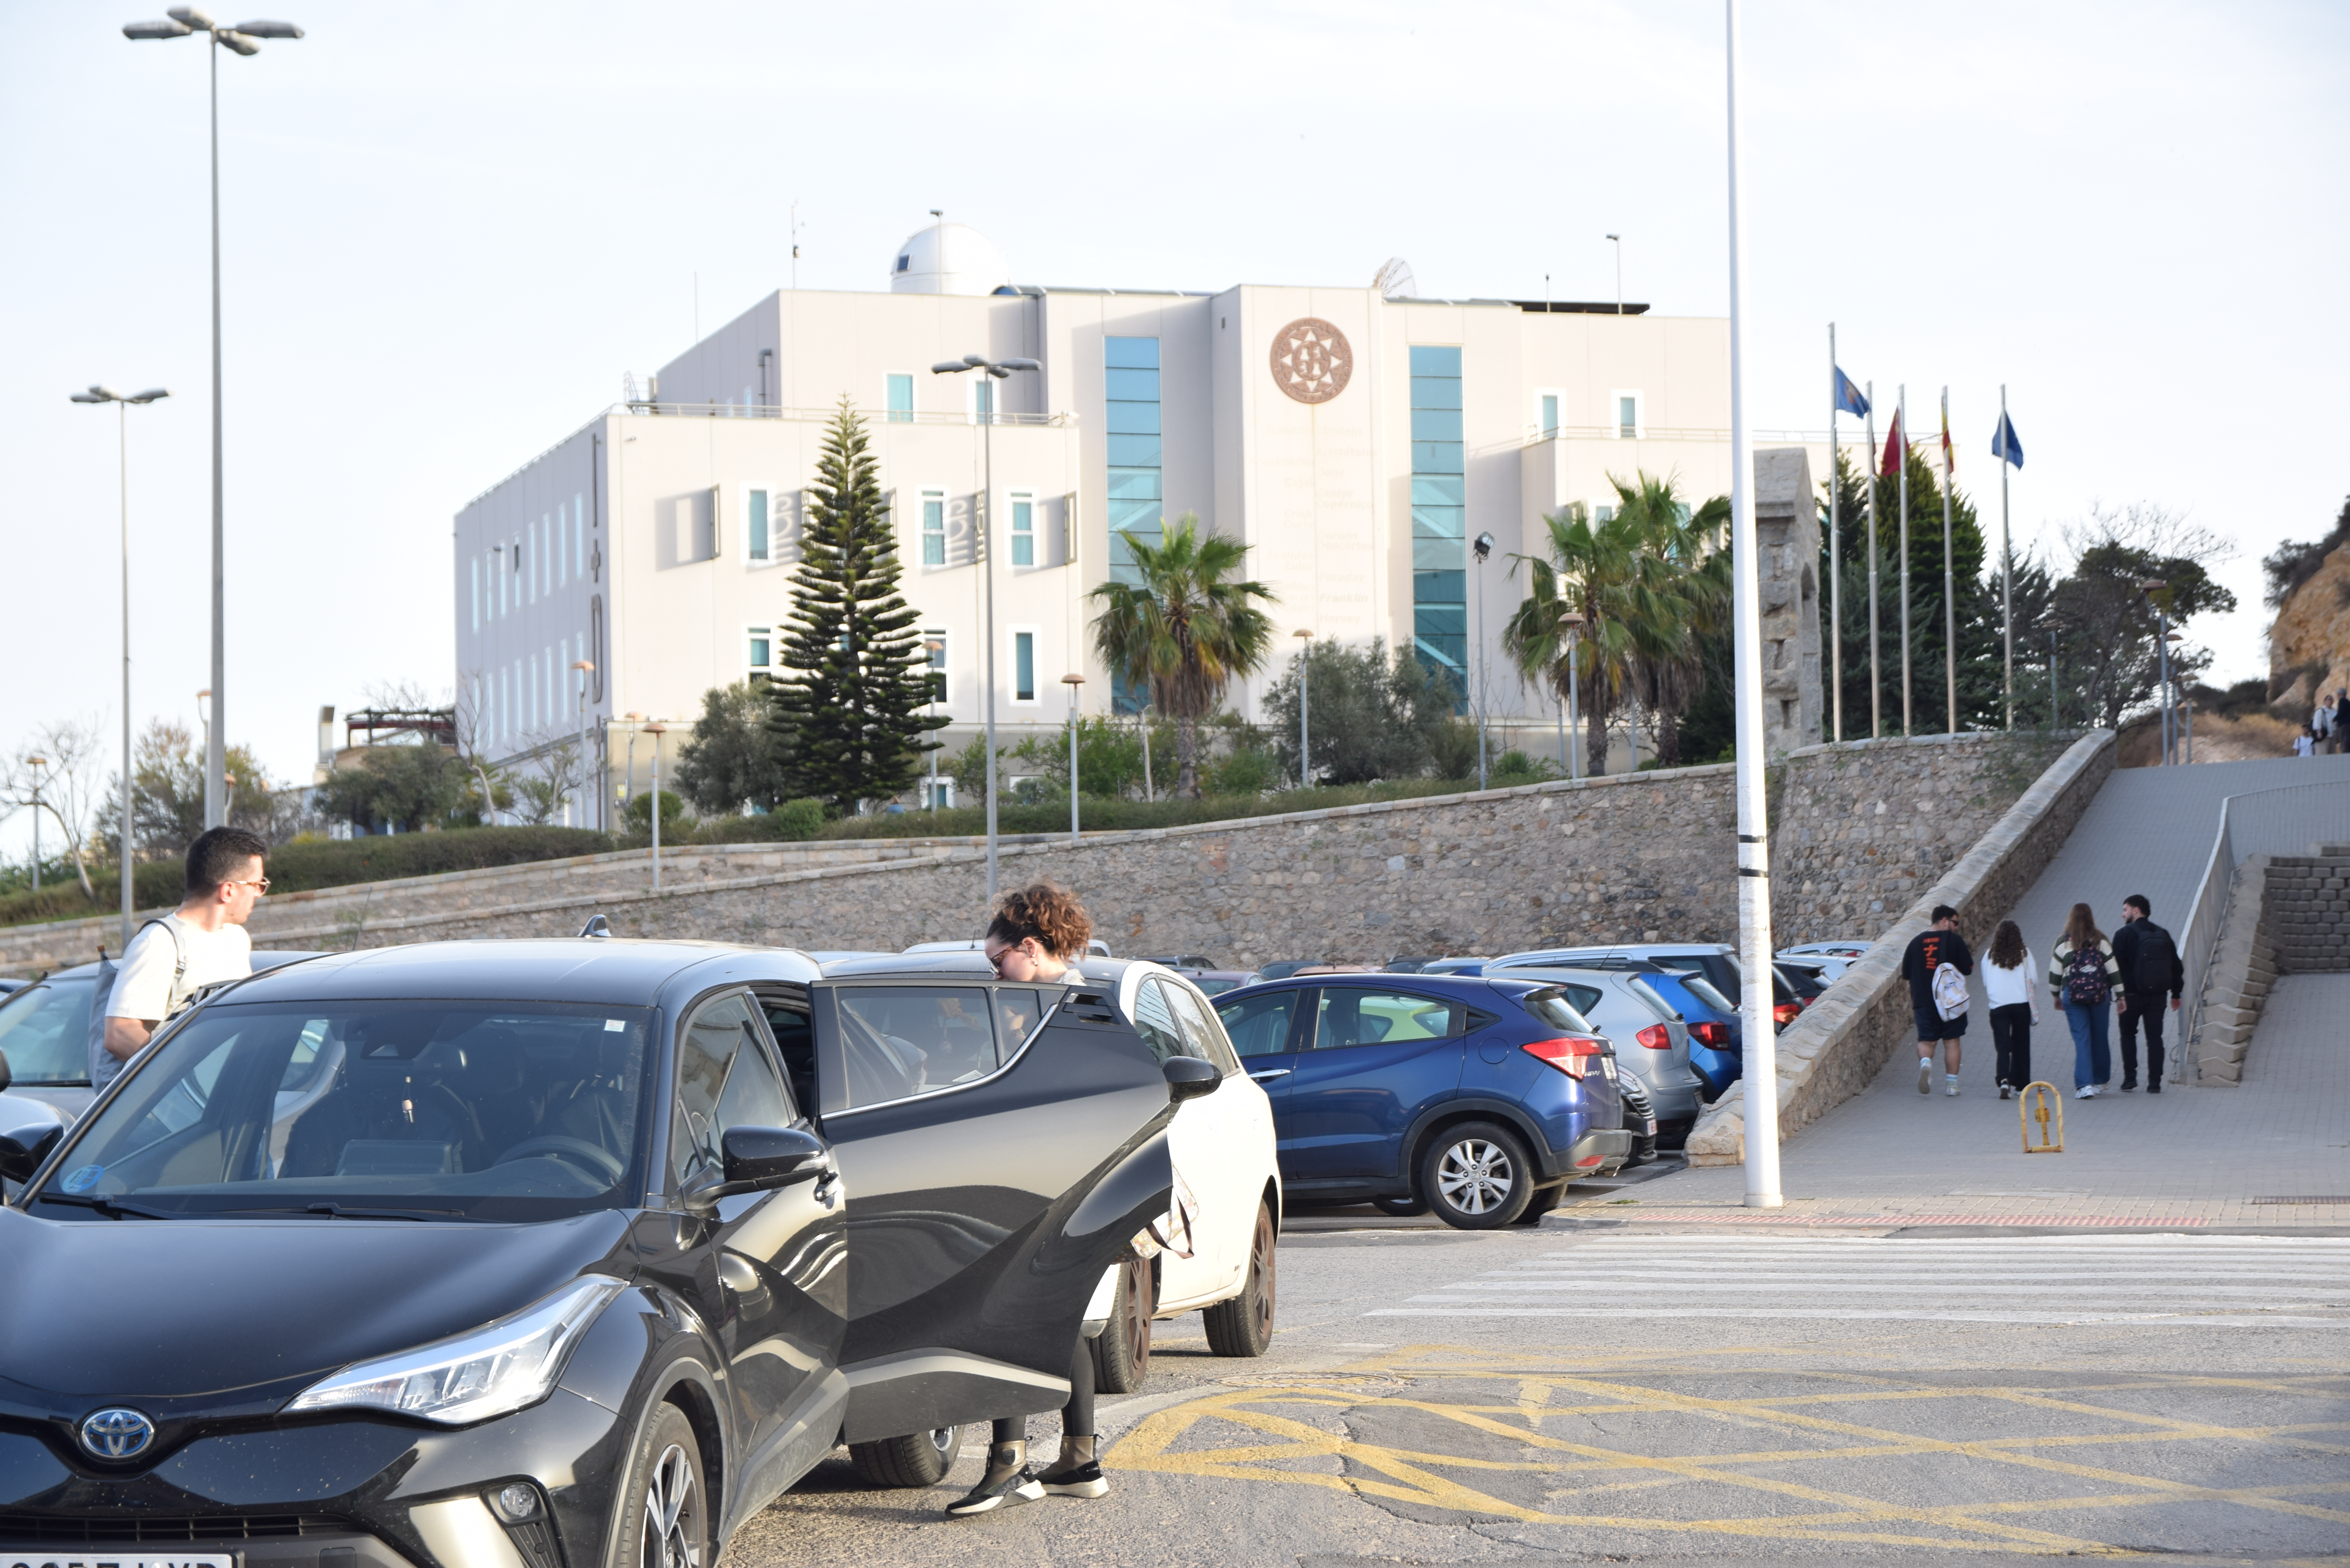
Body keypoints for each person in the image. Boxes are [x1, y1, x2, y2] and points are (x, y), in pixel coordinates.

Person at [949, 881, 1110, 1517]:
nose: (993, 973)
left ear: (1031, 948)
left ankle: (1008, 1465)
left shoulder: (1072, 1012)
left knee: (1008, 1316)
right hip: (1070, 1190)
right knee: (1059, 1319)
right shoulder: (1072, 1005)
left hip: (1051, 1189)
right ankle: (1078, 1461)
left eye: (998, 960)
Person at [95, 826, 269, 1091]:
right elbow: (120, 1034)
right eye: (257, 885)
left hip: (229, 1098)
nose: (259, 893)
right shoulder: (159, 942)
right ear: (228, 891)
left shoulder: (237, 938)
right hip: (180, 1109)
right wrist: (181, 1086)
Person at [2111, 894, 2183, 1092]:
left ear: (2136, 911)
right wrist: (2176, 993)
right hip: (2157, 996)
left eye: (2125, 910)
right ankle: (2154, 1083)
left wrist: (2117, 995)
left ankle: (2130, 1078)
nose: (2122, 914)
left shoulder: (2123, 935)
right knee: (2155, 1038)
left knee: (2128, 1034)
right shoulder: (2163, 933)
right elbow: (2176, 966)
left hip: (2130, 996)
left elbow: (2115, 968)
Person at [1900, 904, 1974, 1097]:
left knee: (1926, 1041)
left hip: (1923, 1001)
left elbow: (1906, 974)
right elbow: (1968, 968)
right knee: (1952, 1042)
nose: (1956, 927)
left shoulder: (1915, 943)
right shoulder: (1954, 941)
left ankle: (1926, 1063)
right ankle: (1952, 1086)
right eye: (1955, 923)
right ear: (1944, 921)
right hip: (1950, 1002)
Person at [2049, 902, 2121, 1100]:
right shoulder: (2101, 940)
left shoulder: (2063, 943)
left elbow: (2054, 974)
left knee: (2082, 1038)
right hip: (2100, 995)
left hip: (2073, 996)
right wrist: (2120, 996)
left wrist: (2055, 995)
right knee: (2100, 1036)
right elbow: (2113, 970)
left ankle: (2085, 1086)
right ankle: (2101, 1081)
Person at [1982, 918, 2038, 1101]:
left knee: (2003, 1045)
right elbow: (2034, 980)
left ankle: (2004, 1079)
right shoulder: (2024, 954)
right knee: (2021, 1045)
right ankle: (2022, 1084)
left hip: (1998, 1006)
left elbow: (1986, 981)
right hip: (2021, 1004)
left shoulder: (1989, 956)